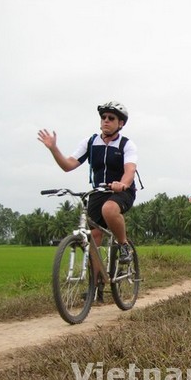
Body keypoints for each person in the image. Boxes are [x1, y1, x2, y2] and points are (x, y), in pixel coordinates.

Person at [37, 101, 137, 267]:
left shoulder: (126, 144)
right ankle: (96, 286)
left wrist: (122, 184)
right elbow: (68, 165)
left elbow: (130, 170)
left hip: (122, 192)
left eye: (111, 118)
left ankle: (124, 245)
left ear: (121, 123)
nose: (106, 120)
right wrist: (53, 149)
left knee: (109, 209)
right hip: (98, 192)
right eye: (103, 117)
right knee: (93, 240)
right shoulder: (90, 143)